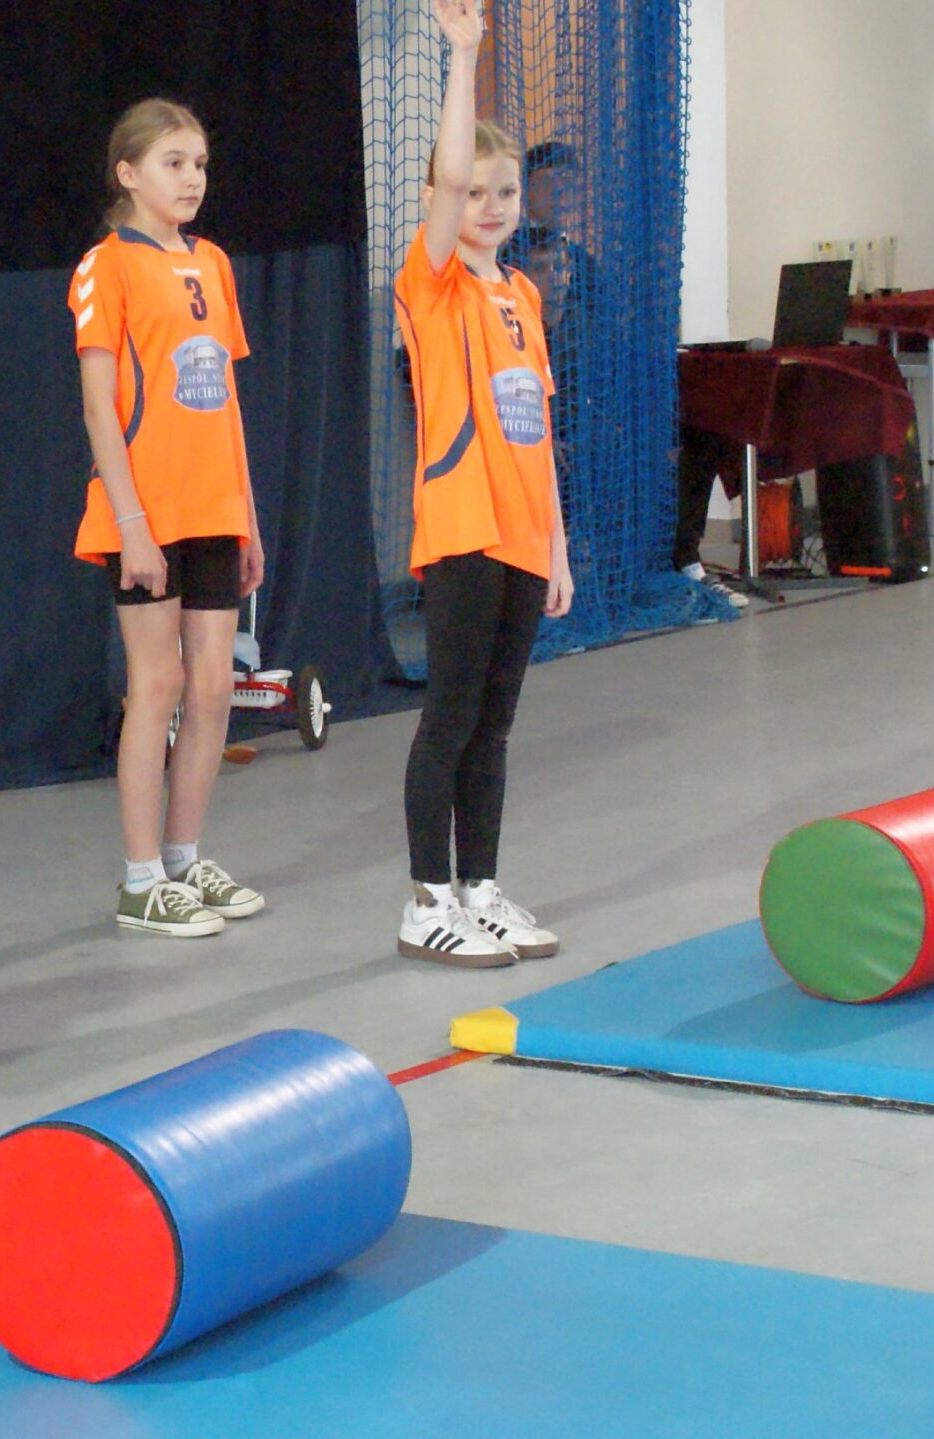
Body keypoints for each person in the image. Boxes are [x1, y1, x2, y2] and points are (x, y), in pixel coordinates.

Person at [392, 0, 574, 967]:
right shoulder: (433, 285)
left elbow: (537, 433)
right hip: (463, 529)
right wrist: (463, 57)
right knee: (451, 718)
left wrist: (556, 546)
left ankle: (481, 889)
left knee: (495, 726)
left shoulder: (524, 294)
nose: (491, 205)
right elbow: (451, 168)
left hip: (521, 535)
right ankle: (426, 898)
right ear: (446, 200)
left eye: (506, 191)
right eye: (474, 191)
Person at [72, 99, 269, 940]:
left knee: (214, 684)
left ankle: (186, 858)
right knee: (157, 684)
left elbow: (225, 401)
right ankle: (142, 877)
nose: (192, 179)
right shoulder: (105, 266)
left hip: (213, 508)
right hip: (146, 515)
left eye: (199, 164)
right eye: (173, 163)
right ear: (128, 173)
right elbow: (98, 409)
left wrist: (247, 517)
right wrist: (132, 524)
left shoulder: (213, 263)